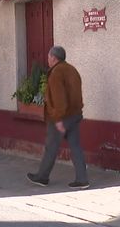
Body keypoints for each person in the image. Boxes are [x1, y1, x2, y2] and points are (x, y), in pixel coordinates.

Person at [27, 46, 89, 189]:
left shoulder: (56, 73)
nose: (47, 60)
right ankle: (82, 179)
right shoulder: (72, 70)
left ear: (54, 58)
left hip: (62, 116)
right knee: (75, 147)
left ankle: (42, 177)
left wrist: (58, 119)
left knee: (51, 147)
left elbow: (59, 99)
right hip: (75, 114)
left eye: (49, 57)